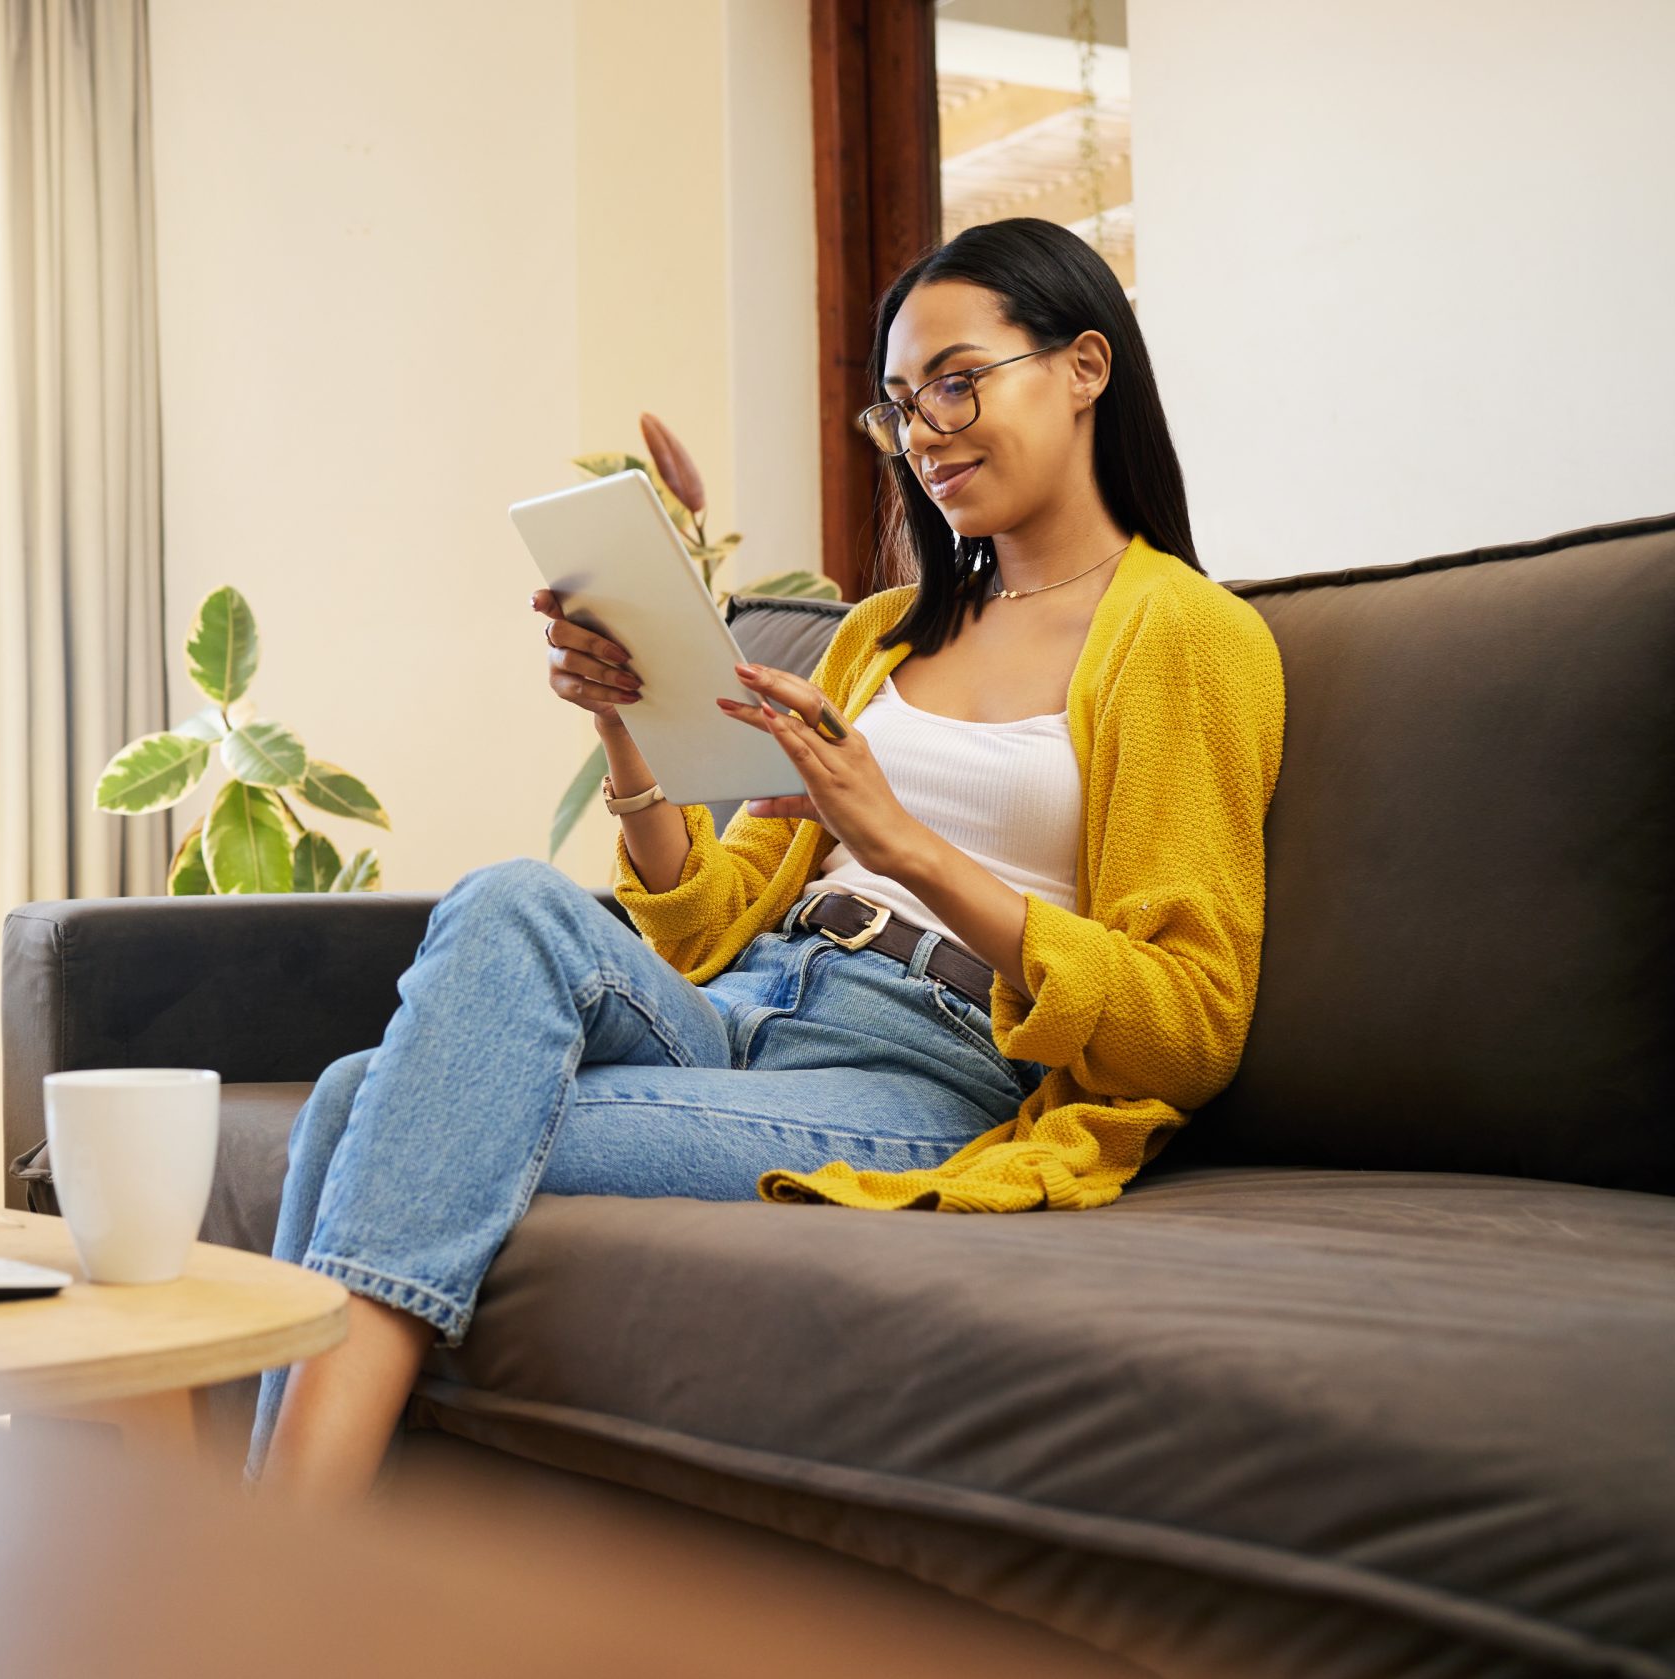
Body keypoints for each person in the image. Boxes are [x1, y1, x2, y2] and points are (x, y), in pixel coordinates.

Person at [245, 217, 1286, 1505]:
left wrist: (896, 840)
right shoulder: (878, 637)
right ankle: (291, 1573)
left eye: (960, 381)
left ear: (1084, 366)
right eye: (902, 405)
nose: (929, 429)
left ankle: (276, 1558)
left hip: (928, 1065)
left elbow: (1190, 1026)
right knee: (510, 896)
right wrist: (624, 736)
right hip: (743, 1011)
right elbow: (700, 927)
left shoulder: (1188, 636)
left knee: (362, 1098)